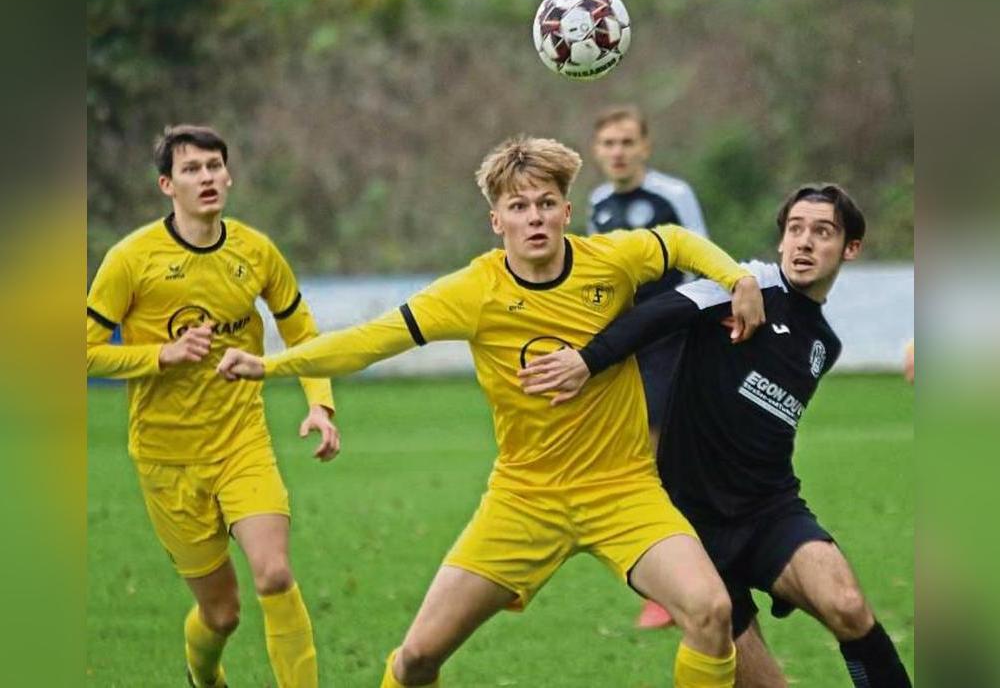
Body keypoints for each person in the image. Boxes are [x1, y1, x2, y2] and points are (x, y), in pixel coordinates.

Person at [218, 135, 767, 687]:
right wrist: (268, 365)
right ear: (496, 221)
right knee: (415, 661)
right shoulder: (475, 290)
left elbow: (675, 241)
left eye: (546, 204)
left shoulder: (610, 262)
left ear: (567, 212)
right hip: (524, 499)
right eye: (519, 206)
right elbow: (370, 340)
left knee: (711, 612)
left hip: (623, 489)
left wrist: (737, 278)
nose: (535, 218)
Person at [519, 184, 912, 687]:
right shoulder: (741, 286)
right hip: (686, 527)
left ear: (850, 248)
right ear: (780, 241)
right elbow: (656, 314)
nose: (805, 243)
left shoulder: (824, 345)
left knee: (849, 607)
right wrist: (586, 361)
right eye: (795, 230)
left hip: (768, 510)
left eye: (822, 232)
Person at [86, 125, 340, 688]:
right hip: (167, 458)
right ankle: (205, 678)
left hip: (242, 442)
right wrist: (161, 355)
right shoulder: (131, 260)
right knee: (221, 613)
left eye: (214, 166)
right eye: (192, 169)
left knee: (274, 574)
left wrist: (320, 404)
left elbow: (301, 332)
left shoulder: (255, 250)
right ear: (166, 185)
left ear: (229, 175)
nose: (206, 177)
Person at [588, 105, 709, 628]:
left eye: (626, 142)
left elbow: (705, 259)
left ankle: (671, 586)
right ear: (597, 151)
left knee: (657, 454)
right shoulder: (596, 204)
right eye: (608, 143)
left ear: (645, 146)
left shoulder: (673, 196)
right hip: (626, 344)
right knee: (636, 455)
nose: (617, 152)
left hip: (674, 339)